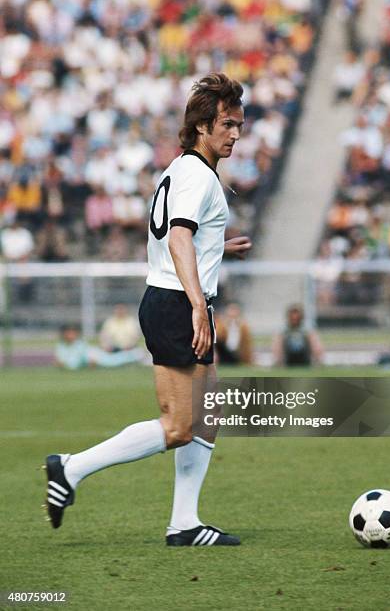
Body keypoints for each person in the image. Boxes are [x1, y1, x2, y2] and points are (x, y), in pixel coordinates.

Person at [43, 73, 252, 547]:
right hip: (177, 303)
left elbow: (181, 235)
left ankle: (185, 523)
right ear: (202, 125)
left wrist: (219, 246)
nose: (235, 133)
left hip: (179, 300)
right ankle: (70, 469)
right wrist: (199, 306)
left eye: (240, 124)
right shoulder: (197, 175)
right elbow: (178, 236)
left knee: (207, 414)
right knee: (179, 425)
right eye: (227, 123)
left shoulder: (180, 169)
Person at [55, 324, 144, 370]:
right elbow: (66, 361)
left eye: (73, 333)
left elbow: (79, 359)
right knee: (112, 360)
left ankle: (138, 355)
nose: (71, 335)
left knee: (112, 360)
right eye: (69, 333)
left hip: (94, 354)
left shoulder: (80, 343)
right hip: (92, 356)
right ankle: (137, 354)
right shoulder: (61, 347)